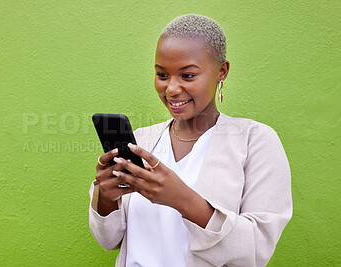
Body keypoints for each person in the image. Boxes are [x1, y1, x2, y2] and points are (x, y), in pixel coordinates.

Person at [89, 14, 292, 267]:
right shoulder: (141, 140)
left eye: (187, 76)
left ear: (222, 71)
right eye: (162, 75)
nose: (171, 89)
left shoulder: (255, 141)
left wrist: (182, 199)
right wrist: (105, 198)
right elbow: (109, 240)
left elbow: (256, 250)